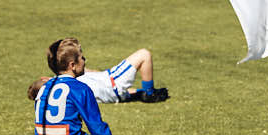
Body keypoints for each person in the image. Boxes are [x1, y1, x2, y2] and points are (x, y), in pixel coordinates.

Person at [32, 38, 129, 135]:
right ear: (72, 65)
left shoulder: (45, 86)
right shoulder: (80, 89)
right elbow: (95, 126)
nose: (84, 61)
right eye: (82, 58)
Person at [27, 48, 168, 104]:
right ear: (44, 79)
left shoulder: (66, 89)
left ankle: (143, 93)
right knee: (144, 54)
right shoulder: (68, 83)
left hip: (111, 85)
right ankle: (149, 94)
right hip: (113, 80)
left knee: (130, 91)